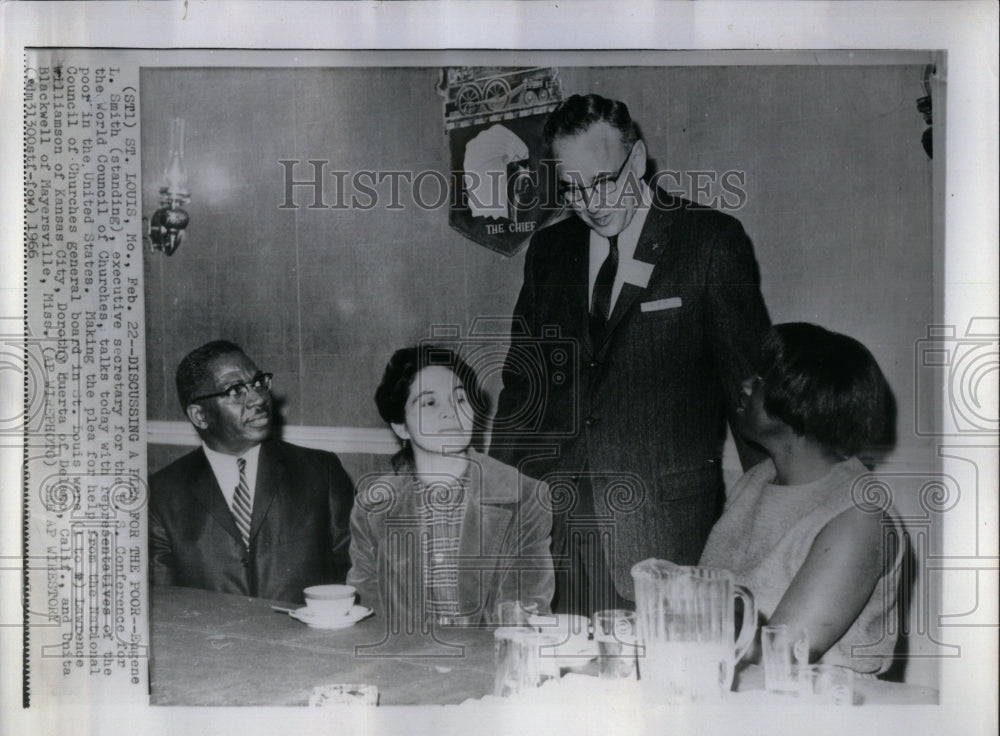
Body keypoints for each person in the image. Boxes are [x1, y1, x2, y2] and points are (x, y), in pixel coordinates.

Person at [490, 93, 770, 614]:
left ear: (637, 161)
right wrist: (496, 507)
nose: (591, 203)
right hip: (555, 528)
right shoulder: (549, 250)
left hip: (662, 529)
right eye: (571, 187)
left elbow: (749, 393)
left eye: (603, 181)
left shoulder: (708, 243)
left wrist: (770, 516)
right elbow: (520, 388)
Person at [699, 323, 902, 675]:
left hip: (820, 713)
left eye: (762, 378)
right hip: (734, 695)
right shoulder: (757, 480)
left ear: (806, 399)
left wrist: (668, 622)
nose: (745, 384)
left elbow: (778, 656)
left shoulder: (859, 516)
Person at [348, 345, 555, 628]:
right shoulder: (373, 505)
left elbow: (525, 618)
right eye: (429, 403)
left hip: (488, 666)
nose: (451, 413)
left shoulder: (524, 497)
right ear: (401, 427)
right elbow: (367, 615)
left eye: (459, 399)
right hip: (402, 666)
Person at [149, 340, 354, 603]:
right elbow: (166, 602)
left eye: (258, 383)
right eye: (235, 390)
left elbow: (355, 573)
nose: (258, 398)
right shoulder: (163, 494)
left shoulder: (320, 472)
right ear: (199, 416)